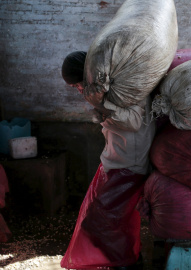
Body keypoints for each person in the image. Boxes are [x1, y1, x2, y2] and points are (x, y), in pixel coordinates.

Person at [60, 51, 155, 270]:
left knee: (104, 221)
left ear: (86, 77)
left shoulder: (125, 86)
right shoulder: (111, 87)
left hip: (129, 165)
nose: (79, 90)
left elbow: (132, 123)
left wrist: (102, 105)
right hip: (117, 161)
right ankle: (125, 261)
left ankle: (125, 263)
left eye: (77, 85)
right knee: (112, 220)